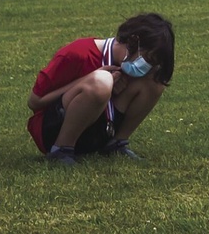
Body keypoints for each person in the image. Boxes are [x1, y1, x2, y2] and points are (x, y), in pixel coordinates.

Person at [27, 13, 175, 165]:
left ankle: (116, 143)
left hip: (98, 131)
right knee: (101, 81)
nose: (146, 67)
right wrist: (87, 80)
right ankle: (61, 149)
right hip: (54, 129)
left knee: (155, 80)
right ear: (132, 41)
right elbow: (34, 101)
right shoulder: (78, 53)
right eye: (147, 59)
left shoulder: (129, 69)